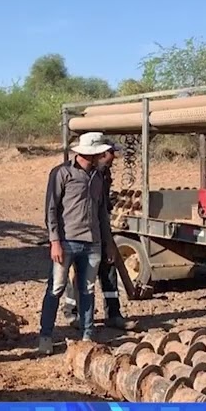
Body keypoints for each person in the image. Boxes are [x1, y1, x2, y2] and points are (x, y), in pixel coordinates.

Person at [37, 132, 114, 355]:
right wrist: (54, 241)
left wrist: (107, 242)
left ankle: (87, 334)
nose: (102, 156)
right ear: (87, 154)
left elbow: (102, 213)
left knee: (88, 289)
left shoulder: (99, 177)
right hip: (67, 241)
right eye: (99, 153)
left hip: (92, 243)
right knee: (56, 288)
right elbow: (51, 209)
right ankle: (46, 336)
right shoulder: (62, 173)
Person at [60, 135, 137, 332]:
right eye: (112, 153)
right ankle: (72, 311)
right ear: (102, 153)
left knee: (108, 269)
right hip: (81, 232)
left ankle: (114, 314)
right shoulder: (85, 172)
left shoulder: (104, 173)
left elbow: (102, 206)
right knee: (79, 274)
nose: (115, 157)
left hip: (101, 230)